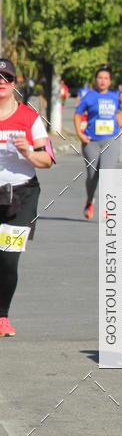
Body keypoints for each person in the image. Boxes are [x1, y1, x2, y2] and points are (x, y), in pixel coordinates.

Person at [0, 58, 53, 337]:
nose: (1, 82)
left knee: (8, 258)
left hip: (21, 195)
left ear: (14, 84)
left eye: (6, 77)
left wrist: (29, 153)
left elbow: (47, 159)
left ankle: (2, 315)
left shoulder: (28, 118)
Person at [74, 65, 122, 220]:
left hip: (111, 138)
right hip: (91, 141)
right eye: (100, 78)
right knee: (92, 176)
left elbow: (117, 113)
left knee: (107, 174)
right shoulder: (88, 97)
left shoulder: (115, 97)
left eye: (106, 78)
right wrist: (80, 135)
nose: (102, 81)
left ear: (110, 81)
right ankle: (90, 200)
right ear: (96, 80)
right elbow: (77, 115)